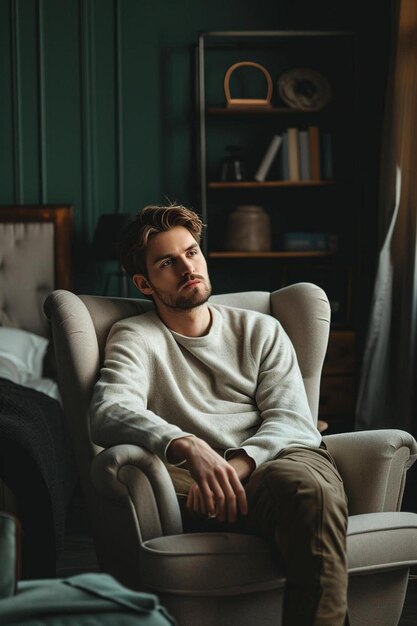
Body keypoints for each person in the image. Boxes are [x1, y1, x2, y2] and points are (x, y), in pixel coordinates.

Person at [90, 203, 348, 626]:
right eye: (167, 262)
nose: (186, 267)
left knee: (308, 493)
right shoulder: (135, 337)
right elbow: (109, 409)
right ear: (143, 283)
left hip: (279, 459)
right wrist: (188, 446)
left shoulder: (260, 329)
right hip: (200, 483)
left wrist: (237, 465)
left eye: (192, 252)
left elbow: (292, 419)